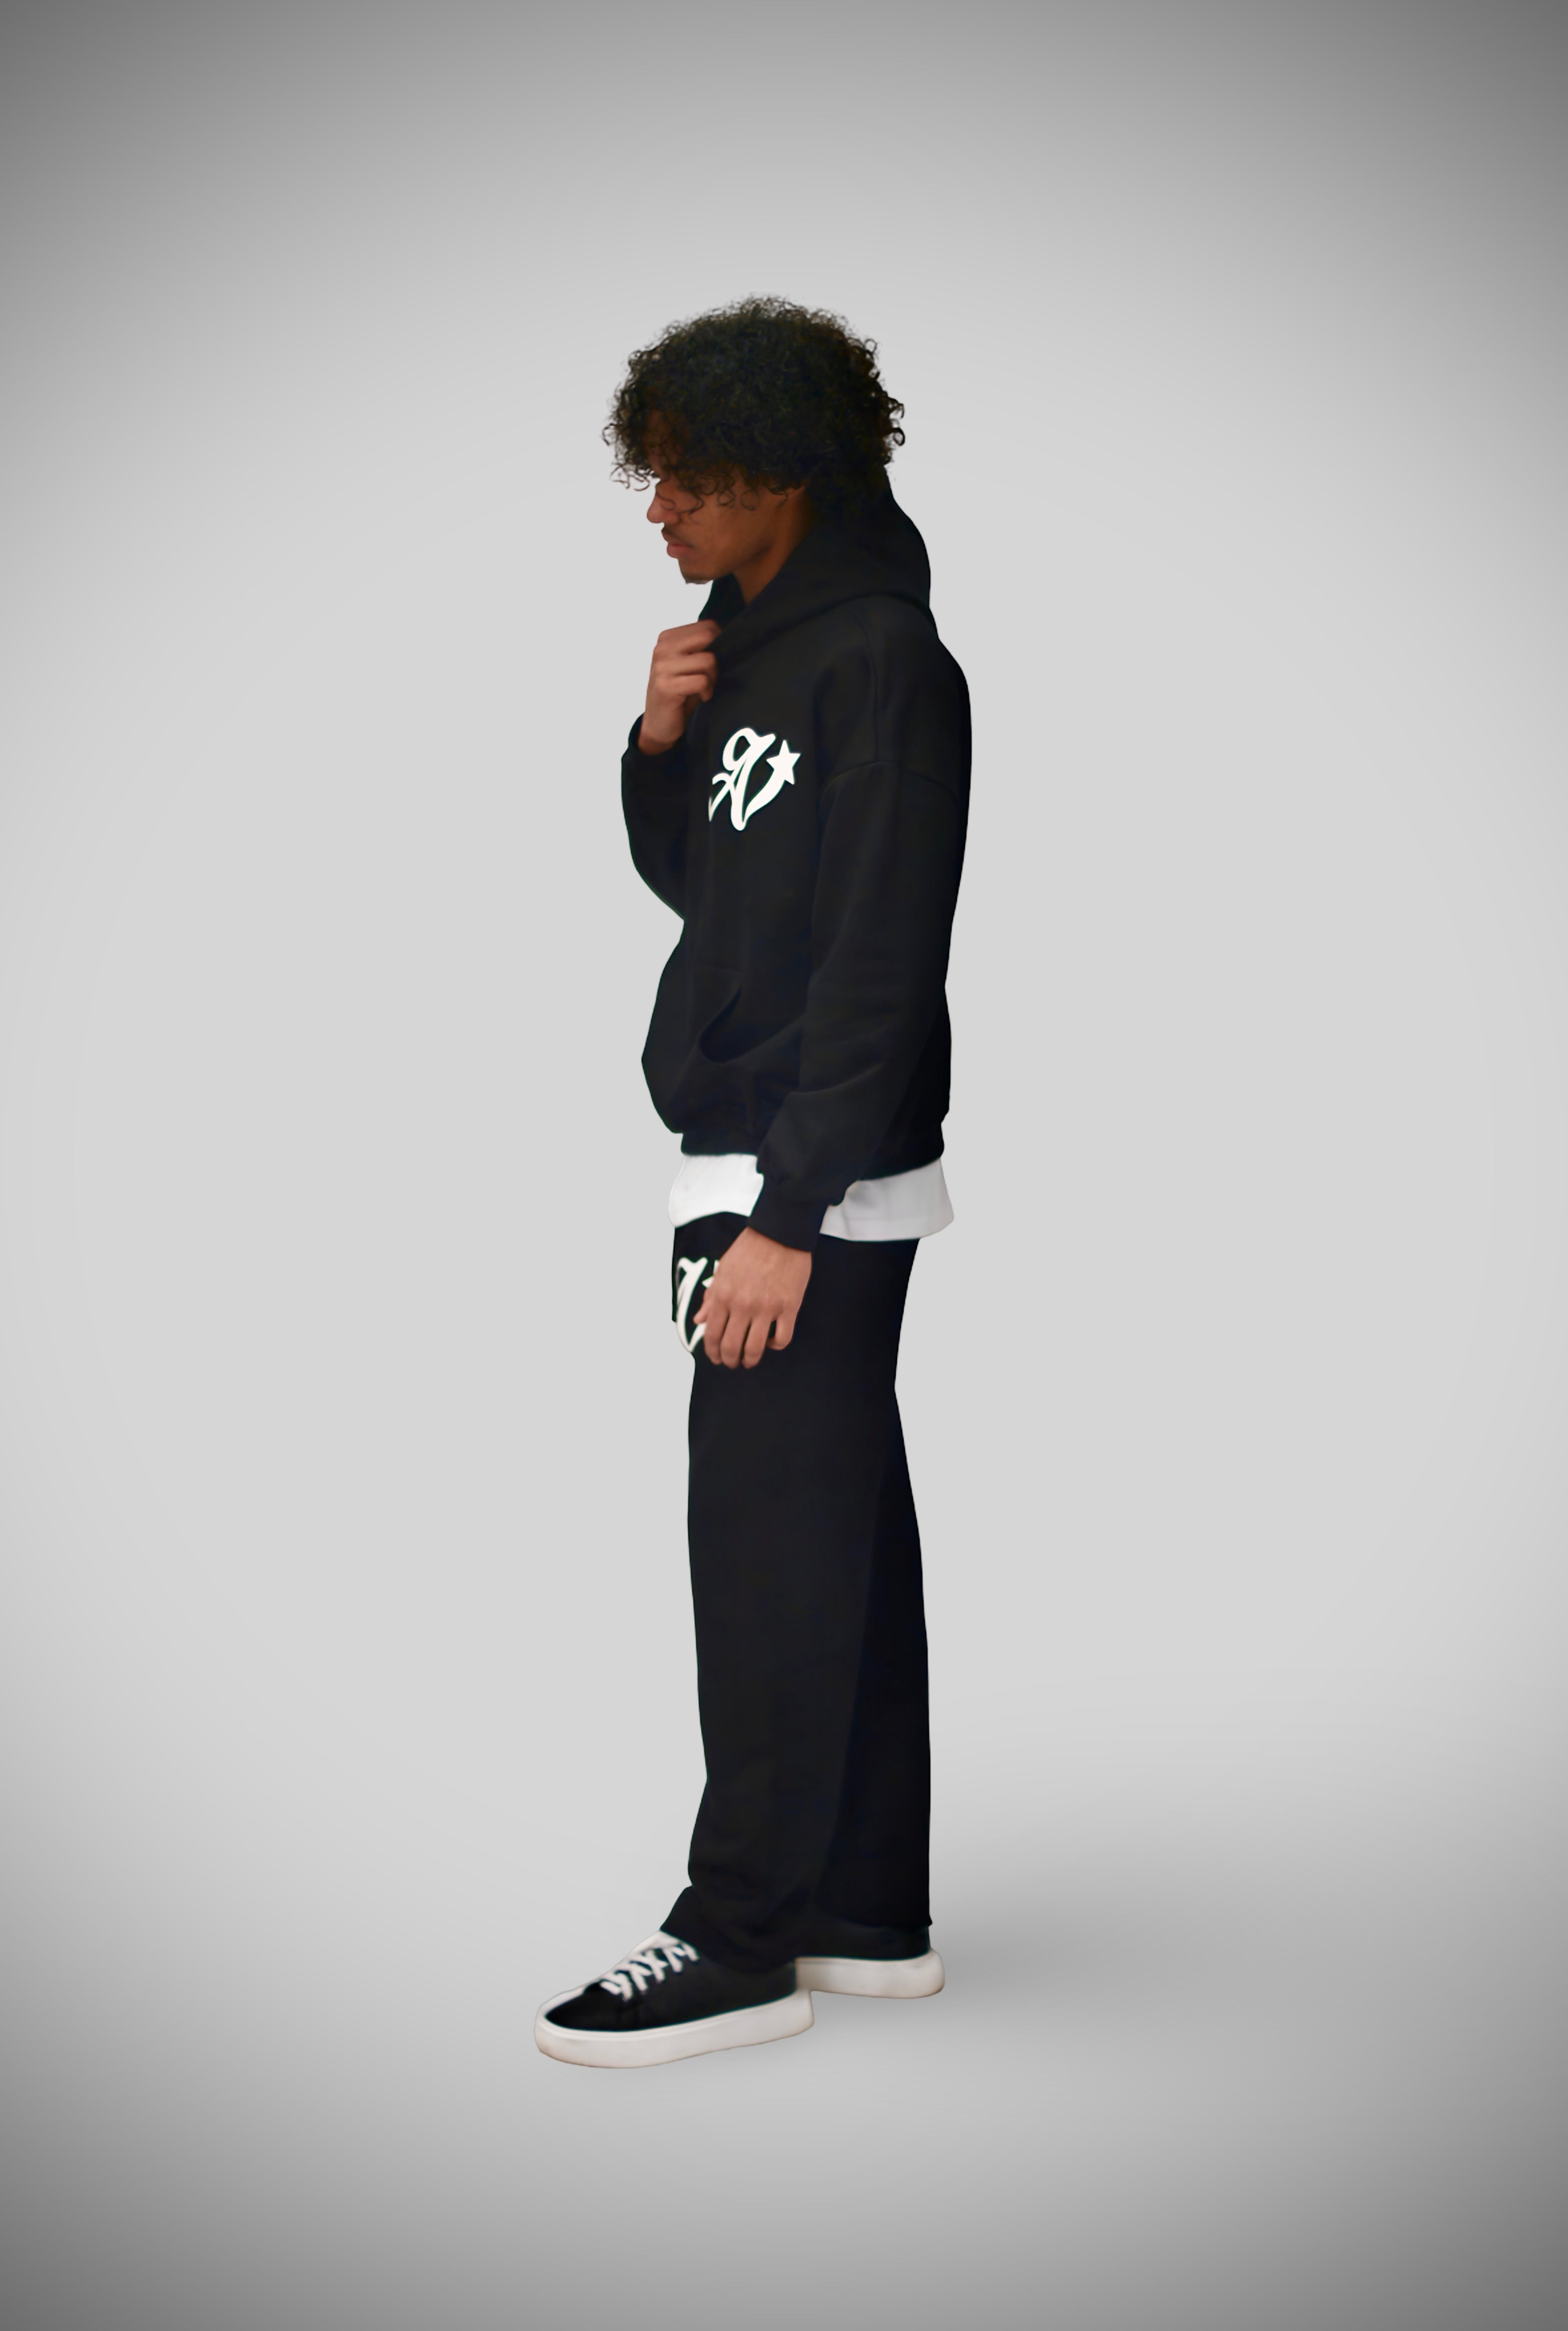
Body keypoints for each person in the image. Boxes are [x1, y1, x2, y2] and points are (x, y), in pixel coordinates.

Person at [535, 298, 971, 2068]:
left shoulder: (886, 666)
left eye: (685, 481)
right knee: (834, 1525)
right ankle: (862, 1907)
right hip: (757, 1145)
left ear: (777, 471)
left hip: (807, 1172)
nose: (657, 512)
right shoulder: (742, 641)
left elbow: (882, 959)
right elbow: (711, 887)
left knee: (764, 1544)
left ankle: (737, 1941)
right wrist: (657, 747)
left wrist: (789, 1217)